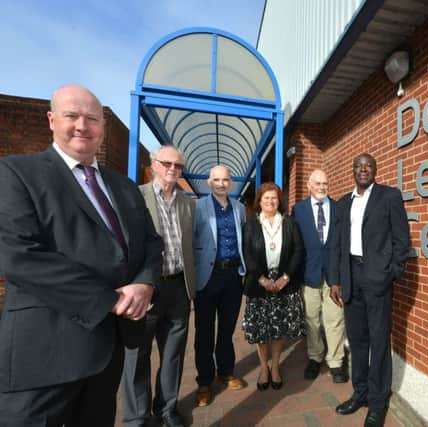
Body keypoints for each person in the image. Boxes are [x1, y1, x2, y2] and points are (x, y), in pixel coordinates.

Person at [0, 85, 163, 426]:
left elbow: (151, 243)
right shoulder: (16, 174)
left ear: (103, 126)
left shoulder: (125, 187)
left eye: (92, 118)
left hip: (107, 350)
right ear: (51, 120)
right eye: (72, 116)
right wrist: (112, 299)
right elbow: (20, 258)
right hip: (46, 353)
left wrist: (145, 283)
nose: (82, 126)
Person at [329, 153, 411, 427]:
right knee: (357, 341)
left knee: (379, 343)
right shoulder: (343, 203)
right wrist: (335, 281)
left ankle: (377, 403)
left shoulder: (389, 197)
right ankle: (360, 393)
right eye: (358, 166)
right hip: (350, 277)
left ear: (375, 170)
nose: (363, 170)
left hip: (377, 279)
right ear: (353, 171)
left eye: (368, 166)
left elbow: (402, 241)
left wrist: (391, 274)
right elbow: (335, 245)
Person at [121, 146, 196, 427]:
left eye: (178, 166)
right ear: (154, 164)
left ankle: (166, 409)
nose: (172, 170)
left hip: (178, 287)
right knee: (137, 355)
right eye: (167, 163)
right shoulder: (135, 197)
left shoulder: (188, 203)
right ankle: (137, 417)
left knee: (173, 353)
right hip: (145, 288)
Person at [242, 182, 305, 390]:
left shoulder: (289, 223)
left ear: (280, 201)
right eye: (266, 198)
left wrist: (285, 278)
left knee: (279, 329)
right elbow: (247, 254)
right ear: (259, 201)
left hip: (284, 283)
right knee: (262, 331)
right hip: (259, 283)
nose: (271, 201)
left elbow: (298, 251)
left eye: (275, 198)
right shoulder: (251, 224)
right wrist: (262, 279)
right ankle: (263, 367)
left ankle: (275, 366)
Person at [193, 165, 247, 407]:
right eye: (216, 179)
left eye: (225, 179)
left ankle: (226, 372)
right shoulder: (197, 207)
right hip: (207, 276)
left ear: (231, 182)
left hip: (233, 276)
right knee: (204, 331)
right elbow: (191, 240)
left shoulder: (240, 208)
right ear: (208, 181)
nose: (221, 183)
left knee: (227, 329)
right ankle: (204, 381)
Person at [292, 169, 347, 383]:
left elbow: (342, 243)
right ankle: (315, 357)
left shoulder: (338, 208)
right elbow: (296, 244)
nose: (322, 187)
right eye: (318, 183)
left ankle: (336, 362)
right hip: (309, 274)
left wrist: (339, 277)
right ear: (309, 185)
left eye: (325, 183)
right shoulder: (298, 210)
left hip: (334, 276)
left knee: (335, 319)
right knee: (311, 319)